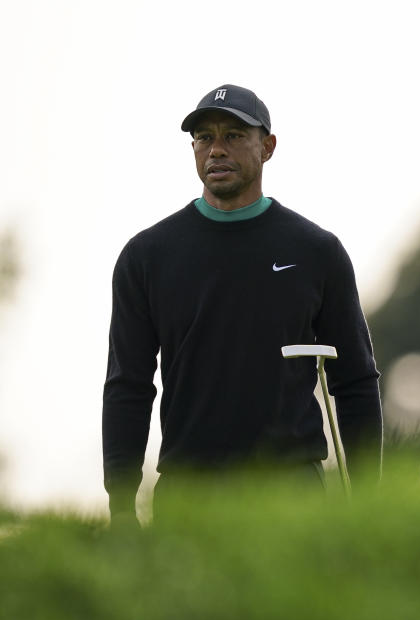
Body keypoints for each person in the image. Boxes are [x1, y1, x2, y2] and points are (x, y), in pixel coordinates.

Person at [102, 84, 382, 526]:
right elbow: (128, 385)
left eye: (233, 136)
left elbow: (356, 381)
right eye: (204, 138)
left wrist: (370, 502)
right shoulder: (147, 255)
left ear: (267, 147)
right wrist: (120, 506)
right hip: (188, 494)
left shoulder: (316, 251)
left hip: (293, 493)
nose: (216, 150)